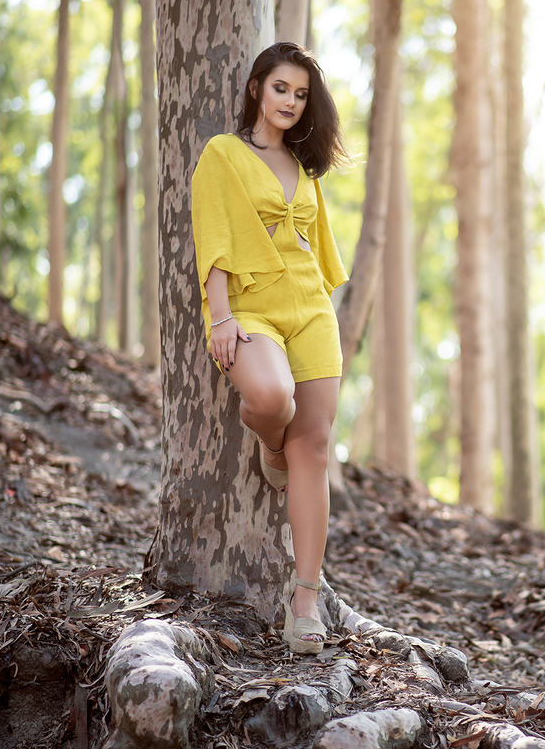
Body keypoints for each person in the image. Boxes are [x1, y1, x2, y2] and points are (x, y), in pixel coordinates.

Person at [190, 42, 350, 654]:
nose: (291, 101)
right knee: (270, 398)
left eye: (301, 94)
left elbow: (316, 245)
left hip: (310, 308)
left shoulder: (304, 165)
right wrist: (221, 314)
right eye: (281, 87)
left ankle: (304, 601)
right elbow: (213, 232)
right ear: (257, 87)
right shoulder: (224, 153)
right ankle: (269, 443)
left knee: (315, 446)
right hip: (251, 305)